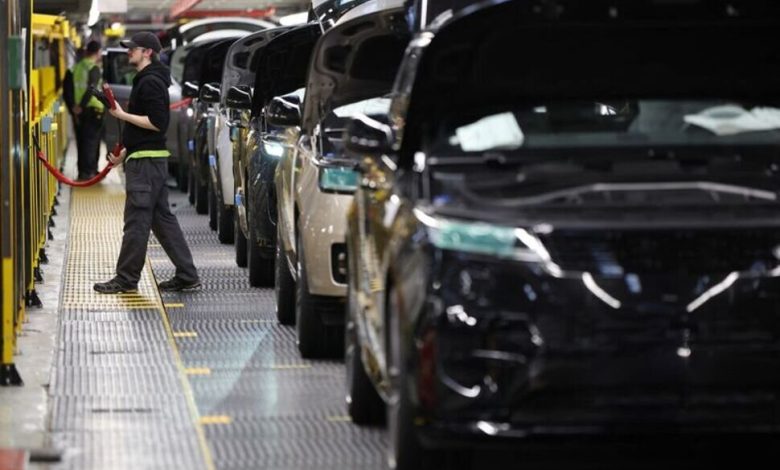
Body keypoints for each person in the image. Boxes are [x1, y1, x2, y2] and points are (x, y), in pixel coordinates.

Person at [93, 31, 200, 294]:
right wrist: (124, 153)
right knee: (162, 220)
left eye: (134, 48)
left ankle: (126, 279)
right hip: (149, 159)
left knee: (136, 221)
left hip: (146, 165)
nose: (129, 51)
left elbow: (156, 123)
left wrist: (121, 114)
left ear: (148, 52)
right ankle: (187, 275)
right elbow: (144, 130)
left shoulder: (150, 82)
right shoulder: (149, 79)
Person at [71, 40, 104, 181]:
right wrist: (81, 105)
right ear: (98, 52)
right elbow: (91, 89)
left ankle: (83, 171)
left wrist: (75, 106)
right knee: (92, 142)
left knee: (82, 141)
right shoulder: (93, 68)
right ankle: (90, 172)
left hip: (81, 111)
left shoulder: (77, 67)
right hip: (93, 109)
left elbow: (72, 87)